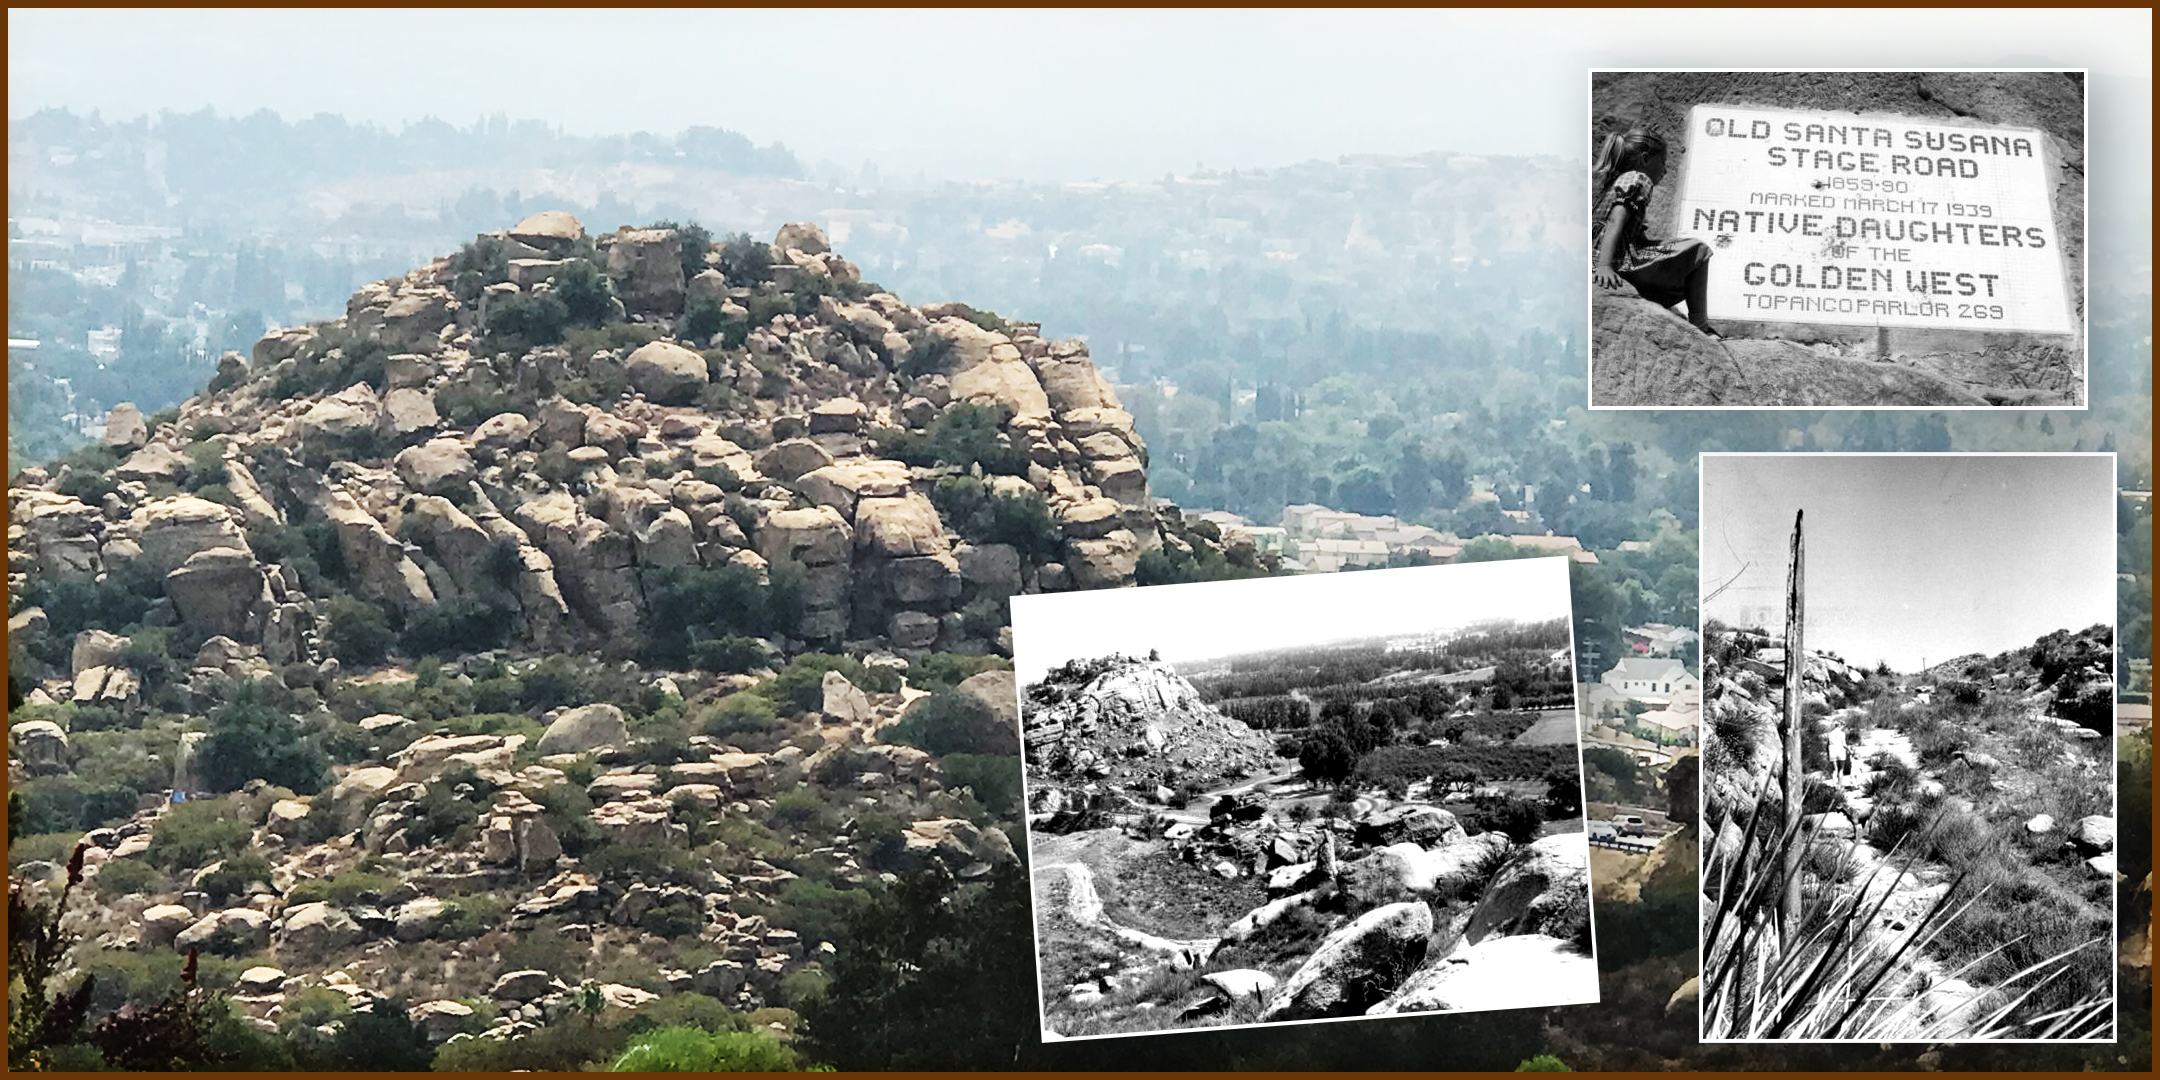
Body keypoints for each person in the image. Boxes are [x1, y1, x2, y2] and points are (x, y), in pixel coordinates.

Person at [1592, 129, 1718, 338]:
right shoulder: (1638, 178)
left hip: (1606, 258)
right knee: (1699, 250)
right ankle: (1701, 326)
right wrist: (1604, 266)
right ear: (1645, 159)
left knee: (1675, 247)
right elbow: (1615, 221)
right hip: (1619, 263)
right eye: (1663, 162)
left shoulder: (1616, 181)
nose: (1666, 170)